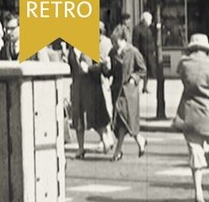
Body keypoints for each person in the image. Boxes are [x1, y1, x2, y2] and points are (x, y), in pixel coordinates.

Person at [175, 33, 209, 202]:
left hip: (189, 113)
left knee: (195, 152)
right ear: (206, 48)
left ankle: (198, 192)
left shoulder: (184, 64)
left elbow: (181, 77)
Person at [105, 26, 147, 161]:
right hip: (117, 91)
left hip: (129, 93)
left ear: (123, 40)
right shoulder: (112, 53)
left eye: (116, 42)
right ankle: (139, 140)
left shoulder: (133, 52)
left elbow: (143, 70)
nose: (114, 45)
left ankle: (119, 151)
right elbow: (110, 72)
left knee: (125, 118)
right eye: (113, 42)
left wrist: (134, 79)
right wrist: (106, 68)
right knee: (121, 121)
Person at [67, 47, 114, 159]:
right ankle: (81, 148)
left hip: (90, 88)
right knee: (78, 119)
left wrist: (89, 68)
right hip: (77, 88)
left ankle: (105, 138)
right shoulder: (72, 51)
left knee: (93, 118)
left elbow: (101, 68)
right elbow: (71, 68)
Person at [132, 12, 156, 93]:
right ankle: (137, 85)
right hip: (141, 53)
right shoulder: (138, 28)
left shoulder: (149, 28)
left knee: (147, 71)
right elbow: (135, 42)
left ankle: (145, 87)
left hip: (149, 53)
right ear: (145, 19)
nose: (150, 21)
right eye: (149, 19)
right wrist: (137, 54)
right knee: (140, 70)